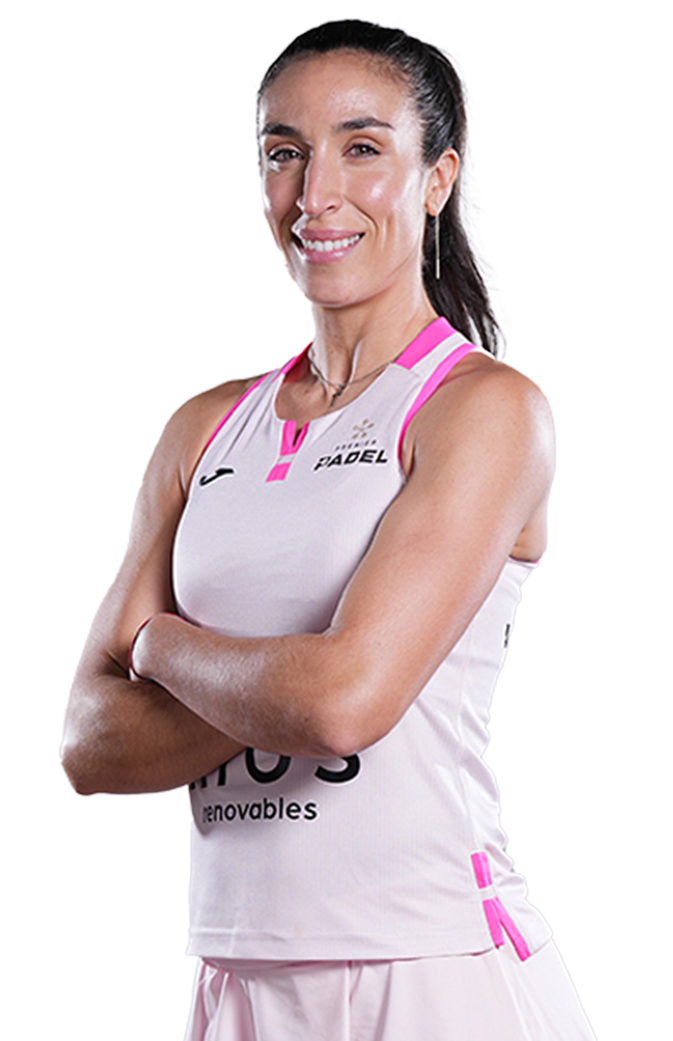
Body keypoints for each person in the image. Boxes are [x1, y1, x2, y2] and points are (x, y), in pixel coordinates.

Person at [62, 19, 598, 1041]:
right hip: (235, 975)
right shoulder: (203, 428)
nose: (315, 193)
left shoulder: (481, 410)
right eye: (284, 153)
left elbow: (344, 705)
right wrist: (304, 677)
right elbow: (89, 743)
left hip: (430, 970)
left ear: (436, 179)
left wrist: (160, 645)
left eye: (361, 148)